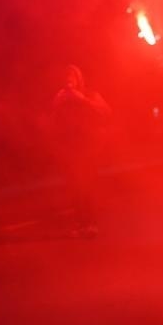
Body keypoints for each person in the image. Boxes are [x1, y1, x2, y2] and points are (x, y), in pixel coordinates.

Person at [50, 64, 113, 238]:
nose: (68, 79)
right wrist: (57, 104)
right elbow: (54, 122)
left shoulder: (90, 94)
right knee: (75, 187)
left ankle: (91, 223)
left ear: (79, 78)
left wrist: (81, 99)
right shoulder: (61, 97)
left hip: (89, 147)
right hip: (70, 148)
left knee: (87, 184)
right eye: (65, 77)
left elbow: (106, 112)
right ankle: (80, 223)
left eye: (72, 76)